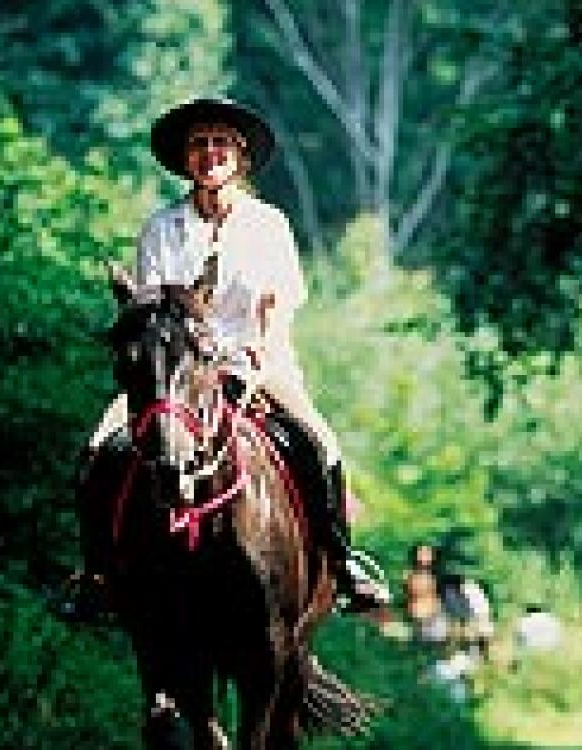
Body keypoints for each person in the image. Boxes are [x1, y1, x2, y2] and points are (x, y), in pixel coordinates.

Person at [54, 98, 390, 621]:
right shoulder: (162, 228)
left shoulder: (269, 225)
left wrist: (260, 356)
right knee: (99, 447)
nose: (209, 152)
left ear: (241, 156)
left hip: (257, 362)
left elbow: (278, 304)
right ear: (185, 158)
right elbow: (151, 309)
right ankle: (97, 575)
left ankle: (342, 561)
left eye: (220, 143)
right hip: (174, 372)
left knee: (320, 442)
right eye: (199, 144)